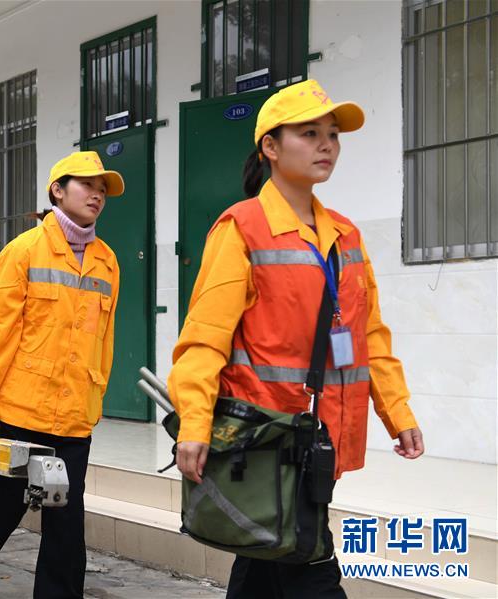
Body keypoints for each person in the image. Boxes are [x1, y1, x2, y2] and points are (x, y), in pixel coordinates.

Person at [167, 79, 425, 598]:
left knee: (267, 558)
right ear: (270, 146)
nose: (327, 144)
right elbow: (203, 339)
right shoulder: (241, 229)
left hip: (323, 435)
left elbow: (369, 332)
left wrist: (397, 411)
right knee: (310, 564)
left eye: (332, 133)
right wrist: (194, 422)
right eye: (309, 133)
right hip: (269, 436)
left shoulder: (346, 235)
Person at [0, 151, 123, 599]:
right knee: (4, 505)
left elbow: (105, 339)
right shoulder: (24, 250)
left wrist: (95, 396)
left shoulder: (107, 261)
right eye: (87, 185)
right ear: (57, 190)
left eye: (102, 189)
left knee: (66, 516)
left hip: (75, 415)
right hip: (22, 408)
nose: (97, 195)